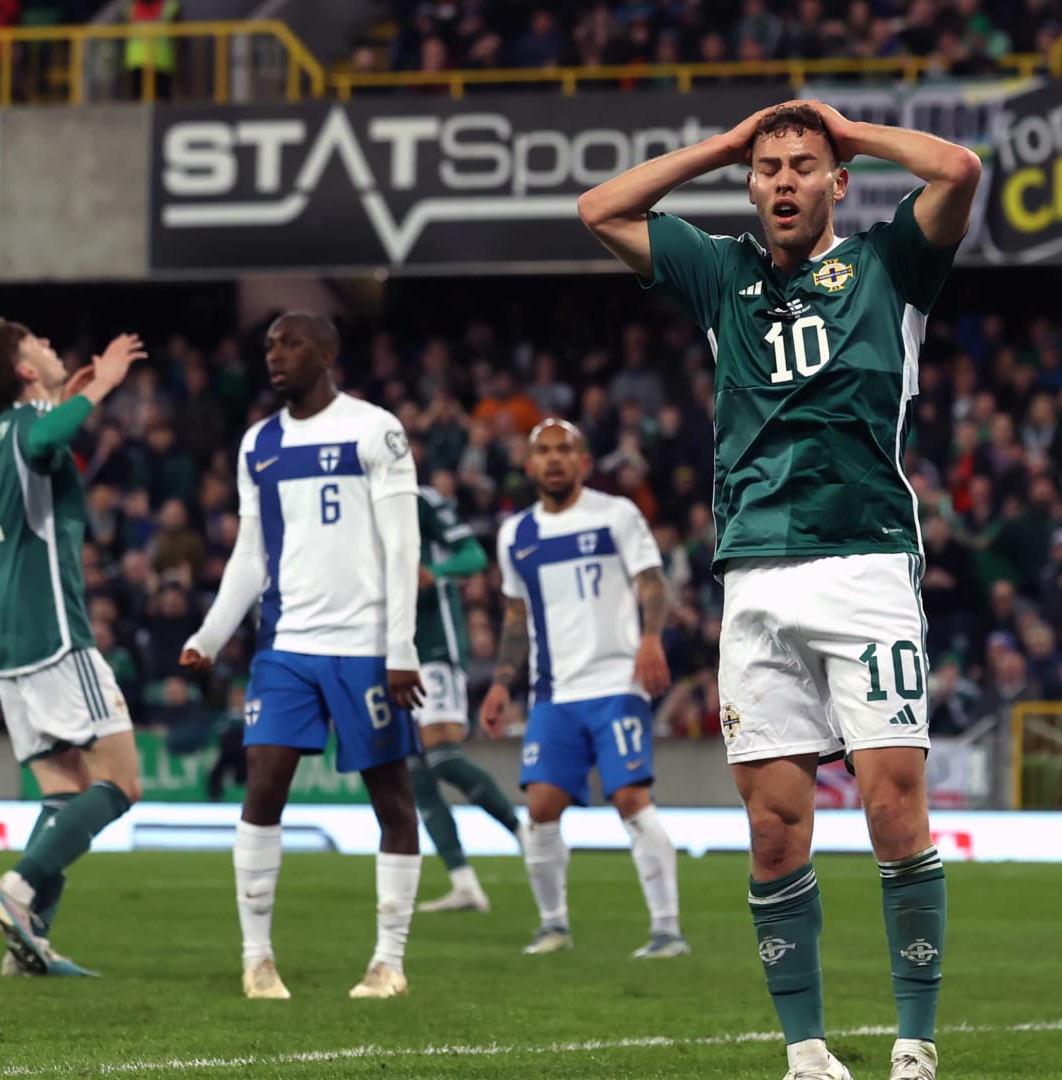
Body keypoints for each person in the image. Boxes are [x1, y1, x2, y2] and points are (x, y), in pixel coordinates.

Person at [579, 98, 982, 1080]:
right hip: (754, 575)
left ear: (837, 182)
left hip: (865, 561)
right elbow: (599, 209)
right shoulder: (722, 275)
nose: (785, 180)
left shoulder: (892, 263)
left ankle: (915, 1043)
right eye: (768, 169)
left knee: (893, 809)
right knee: (771, 830)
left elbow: (960, 170)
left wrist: (854, 133)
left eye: (804, 165)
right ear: (751, 187)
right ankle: (805, 1052)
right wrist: (724, 145)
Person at [179, 313, 425, 1001]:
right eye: (269, 346)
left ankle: (388, 962)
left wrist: (401, 647)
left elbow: (403, 544)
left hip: (365, 648)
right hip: (285, 646)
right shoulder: (258, 443)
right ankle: (256, 959)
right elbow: (250, 552)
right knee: (262, 787)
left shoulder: (375, 429)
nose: (276, 355)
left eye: (291, 344)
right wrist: (210, 635)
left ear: (327, 353)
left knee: (392, 799)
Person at [0, 321, 149, 978]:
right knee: (121, 782)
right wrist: (104, 387)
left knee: (65, 790)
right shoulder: (28, 425)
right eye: (38, 342)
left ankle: (29, 942)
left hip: (8, 638)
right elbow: (43, 439)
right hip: (54, 633)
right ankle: (17, 888)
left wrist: (69, 397)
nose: (50, 344)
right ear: (24, 371)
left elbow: (33, 454)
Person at [478, 419, 685, 959]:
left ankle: (667, 930)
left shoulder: (616, 515)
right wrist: (501, 684)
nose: (554, 459)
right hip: (553, 692)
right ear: (529, 465)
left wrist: (651, 639)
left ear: (584, 462)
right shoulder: (515, 534)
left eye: (564, 450)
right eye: (543, 451)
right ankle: (553, 926)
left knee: (631, 798)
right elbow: (516, 616)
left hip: (617, 680)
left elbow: (653, 583)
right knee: (540, 809)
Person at [410, 478, 523, 913]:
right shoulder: (359, 507)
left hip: (435, 644)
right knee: (416, 774)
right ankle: (464, 884)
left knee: (443, 757)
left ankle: (524, 832)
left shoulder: (420, 500)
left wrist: (435, 573)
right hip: (394, 650)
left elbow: (473, 555)